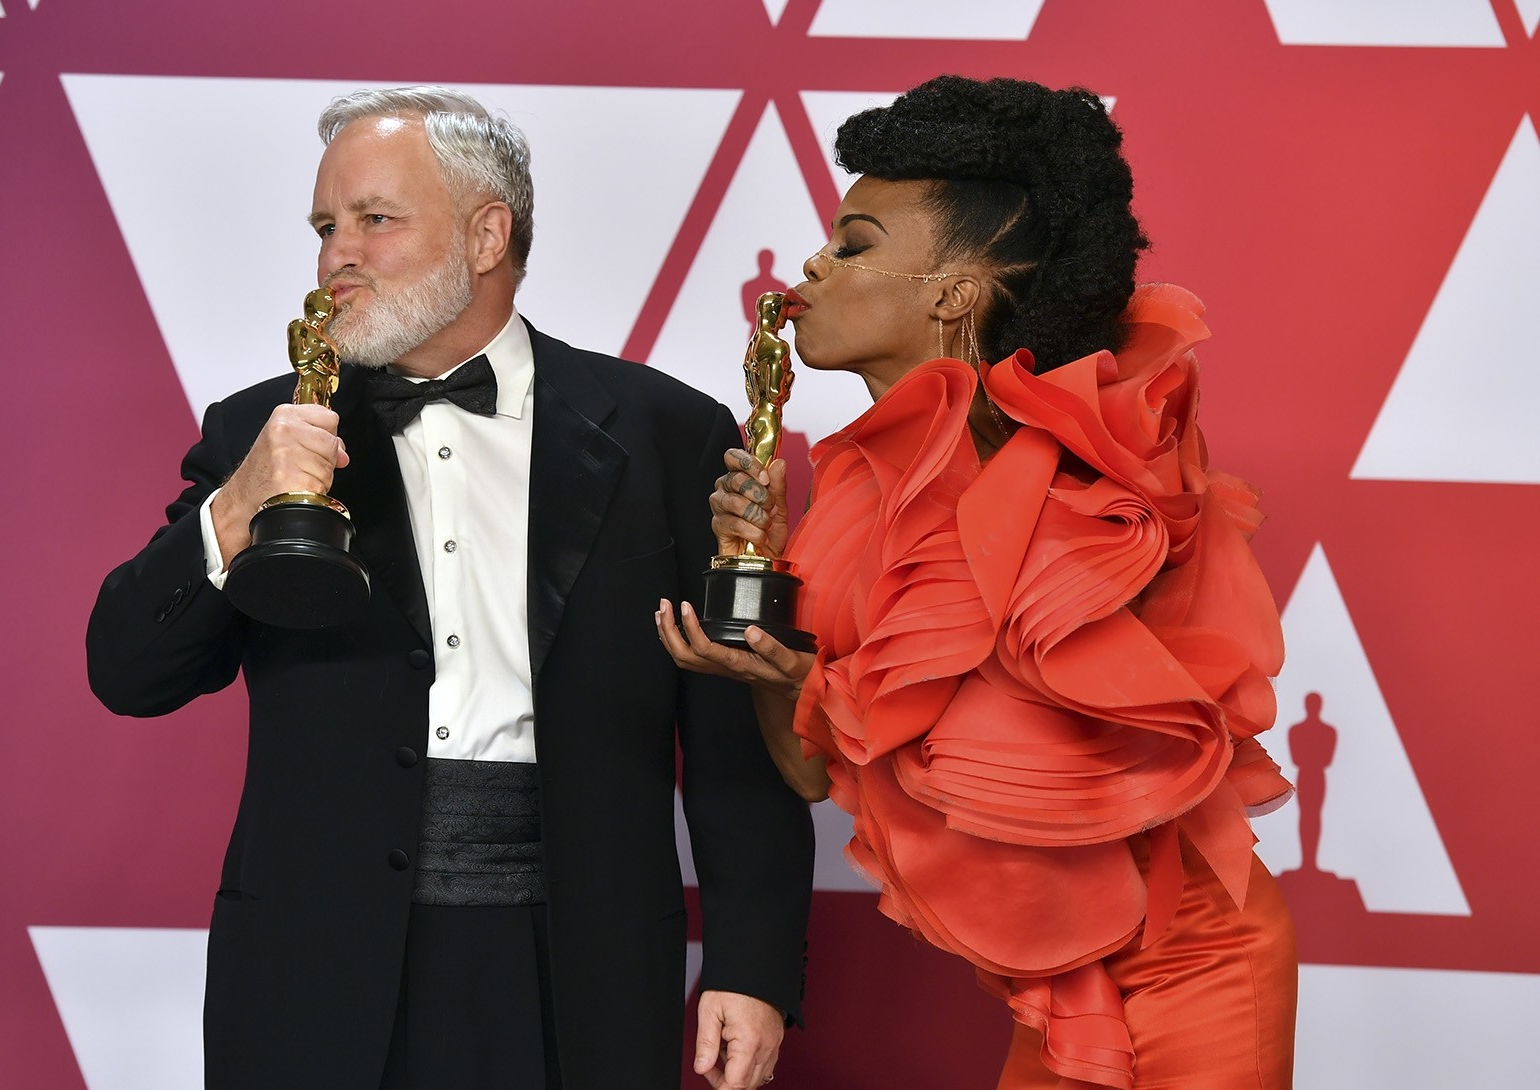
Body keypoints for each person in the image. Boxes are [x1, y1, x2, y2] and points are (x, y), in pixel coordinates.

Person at [87, 86, 813, 1090]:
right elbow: (129, 667)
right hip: (313, 971)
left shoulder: (667, 432)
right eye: (325, 227)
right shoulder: (261, 428)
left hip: (581, 963)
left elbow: (734, 726)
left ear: (485, 233)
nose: (336, 253)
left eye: (373, 220)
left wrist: (752, 961)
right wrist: (241, 501)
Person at [658, 75, 1297, 1089]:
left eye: (856, 243)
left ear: (956, 289)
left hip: (1187, 968)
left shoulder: (1087, 470)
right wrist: (776, 670)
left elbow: (988, 767)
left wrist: (818, 682)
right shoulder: (854, 493)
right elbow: (814, 773)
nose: (810, 267)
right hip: (1047, 987)